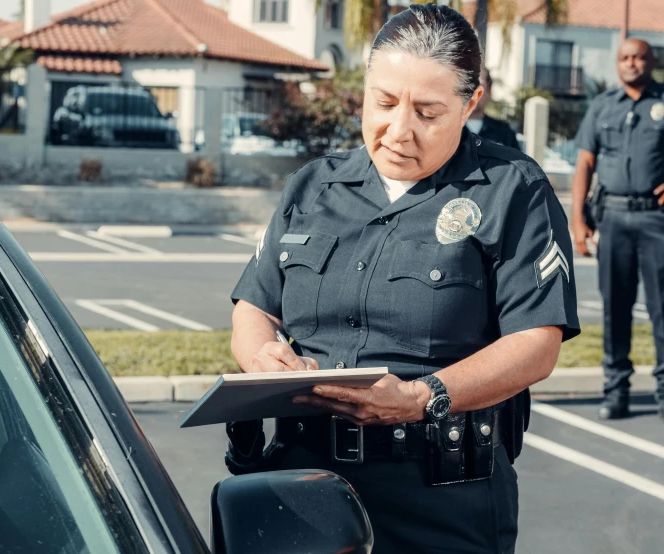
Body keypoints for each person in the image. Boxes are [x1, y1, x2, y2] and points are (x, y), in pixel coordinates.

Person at [228, 5, 579, 553]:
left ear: (471, 104)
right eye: (384, 102)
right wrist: (260, 359)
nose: (399, 130)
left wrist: (423, 396)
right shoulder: (313, 187)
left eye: (428, 112)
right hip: (302, 484)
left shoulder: (513, 191)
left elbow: (536, 344)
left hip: (440, 502)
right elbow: (255, 305)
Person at [572, 38, 664, 421]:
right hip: (613, 219)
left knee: (662, 310)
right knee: (615, 310)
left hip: (656, 221)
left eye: (639, 57)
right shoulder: (603, 105)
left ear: (652, 61)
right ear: (617, 63)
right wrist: (577, 220)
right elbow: (584, 164)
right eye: (625, 57)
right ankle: (616, 391)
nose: (632, 63)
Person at [465, 67, 520, 150]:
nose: (474, 92)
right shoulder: (446, 129)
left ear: (489, 92)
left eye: (479, 86)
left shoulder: (504, 133)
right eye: (469, 86)